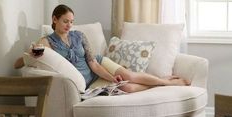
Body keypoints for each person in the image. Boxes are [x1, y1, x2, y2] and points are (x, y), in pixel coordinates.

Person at [14, 4, 190, 93]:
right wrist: (29, 54)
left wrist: (113, 78)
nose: (69, 25)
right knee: (127, 89)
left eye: (71, 21)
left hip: (100, 66)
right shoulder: (46, 42)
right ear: (55, 19)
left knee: (130, 77)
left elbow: (94, 64)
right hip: (89, 84)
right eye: (65, 21)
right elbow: (17, 64)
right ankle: (158, 84)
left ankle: (167, 82)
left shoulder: (79, 36)